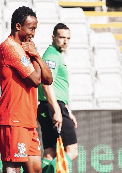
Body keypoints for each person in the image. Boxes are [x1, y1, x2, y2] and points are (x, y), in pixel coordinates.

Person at [0, 6, 53, 173]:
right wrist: (33, 55)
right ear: (18, 26)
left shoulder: (27, 50)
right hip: (13, 117)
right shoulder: (10, 47)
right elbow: (36, 80)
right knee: (13, 168)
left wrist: (36, 55)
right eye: (31, 28)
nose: (33, 33)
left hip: (28, 119)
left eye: (35, 29)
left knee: (35, 170)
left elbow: (48, 79)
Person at [37, 23, 78, 172]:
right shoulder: (52, 56)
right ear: (53, 37)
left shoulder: (54, 55)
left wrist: (67, 110)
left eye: (68, 38)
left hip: (49, 107)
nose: (65, 41)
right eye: (61, 37)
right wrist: (57, 110)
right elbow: (47, 85)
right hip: (53, 107)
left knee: (49, 153)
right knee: (72, 150)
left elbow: (56, 86)